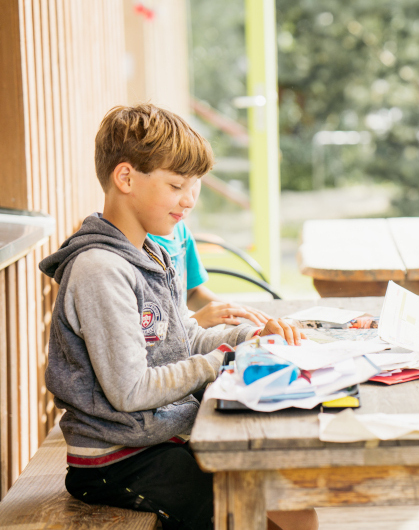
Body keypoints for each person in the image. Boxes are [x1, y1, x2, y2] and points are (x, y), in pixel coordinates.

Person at [39, 104, 317, 530]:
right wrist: (225, 359)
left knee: (295, 508)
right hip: (118, 461)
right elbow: (130, 390)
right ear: (126, 178)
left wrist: (249, 337)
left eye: (195, 186)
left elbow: (179, 336)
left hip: (160, 438)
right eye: (176, 185)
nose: (189, 200)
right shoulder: (100, 270)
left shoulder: (148, 252)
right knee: (253, 509)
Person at [148, 185, 275, 329]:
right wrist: (195, 321)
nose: (190, 201)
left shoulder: (180, 230)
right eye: (177, 185)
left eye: (194, 182)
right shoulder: (140, 243)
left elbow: (191, 293)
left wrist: (232, 310)